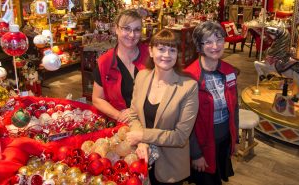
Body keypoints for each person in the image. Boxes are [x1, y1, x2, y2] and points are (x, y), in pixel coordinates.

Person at [125, 29, 199, 184]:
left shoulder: (188, 87)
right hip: (140, 160)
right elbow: (133, 114)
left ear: (177, 54)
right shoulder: (142, 76)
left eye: (172, 50)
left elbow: (180, 137)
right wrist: (142, 141)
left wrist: (143, 135)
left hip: (169, 169)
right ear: (151, 51)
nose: (166, 55)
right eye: (161, 49)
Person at [184, 21, 239, 185]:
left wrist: (235, 139)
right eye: (208, 41)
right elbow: (186, 123)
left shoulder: (229, 71)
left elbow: (235, 108)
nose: (215, 46)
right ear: (199, 46)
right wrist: (195, 154)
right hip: (202, 146)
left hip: (223, 141)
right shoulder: (189, 77)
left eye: (219, 39)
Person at [92, 9, 149, 123]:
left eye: (137, 30)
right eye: (126, 28)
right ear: (116, 29)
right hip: (121, 125)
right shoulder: (105, 62)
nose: (132, 35)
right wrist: (119, 115)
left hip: (150, 121)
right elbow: (97, 99)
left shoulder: (151, 55)